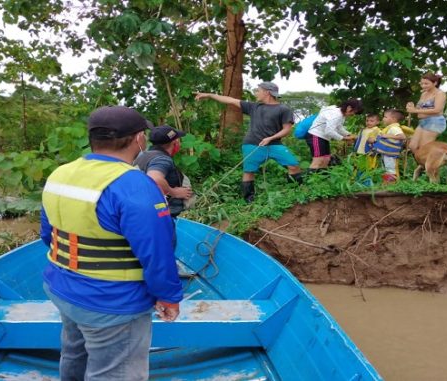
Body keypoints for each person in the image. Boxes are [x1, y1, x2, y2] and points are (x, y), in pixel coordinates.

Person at [40, 106, 183, 380]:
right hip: (112, 302)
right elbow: (157, 252)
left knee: (73, 354)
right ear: (139, 139)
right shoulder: (133, 184)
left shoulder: (61, 173)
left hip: (62, 287)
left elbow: (49, 235)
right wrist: (168, 296)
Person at [195, 82, 302, 203]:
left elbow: (287, 129)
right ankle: (249, 200)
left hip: (274, 144)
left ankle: (296, 193)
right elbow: (230, 100)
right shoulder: (253, 107)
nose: (256, 93)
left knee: (293, 165)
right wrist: (209, 95)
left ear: (267, 92)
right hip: (252, 144)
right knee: (249, 171)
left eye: (258, 90)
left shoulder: (283, 109)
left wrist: (270, 138)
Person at [134, 125, 193, 218]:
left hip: (148, 212)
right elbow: (155, 178)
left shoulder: (143, 157)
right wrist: (174, 192)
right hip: (166, 215)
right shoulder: (162, 159)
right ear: (175, 142)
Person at [306, 99, 363, 172]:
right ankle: (310, 181)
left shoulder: (341, 114)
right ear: (349, 108)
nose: (353, 115)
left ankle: (322, 180)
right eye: (354, 112)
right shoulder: (336, 114)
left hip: (324, 138)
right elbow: (329, 131)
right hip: (316, 135)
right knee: (318, 160)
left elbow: (339, 127)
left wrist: (349, 134)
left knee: (326, 159)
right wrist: (344, 138)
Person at [406, 72, 447, 152]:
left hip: (434, 122)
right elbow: (418, 107)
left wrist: (415, 110)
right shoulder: (424, 94)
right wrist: (411, 106)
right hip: (422, 122)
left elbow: (437, 110)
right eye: (422, 84)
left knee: (423, 148)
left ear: (435, 83)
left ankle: (428, 163)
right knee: (412, 146)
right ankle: (422, 163)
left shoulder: (440, 94)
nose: (423, 86)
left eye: (426, 84)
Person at [372, 109, 407, 184]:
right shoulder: (390, 128)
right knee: (386, 168)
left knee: (391, 169)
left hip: (391, 154)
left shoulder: (394, 128)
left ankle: (392, 184)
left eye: (385, 117)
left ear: (393, 119)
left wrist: (386, 135)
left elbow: (402, 137)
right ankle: (386, 184)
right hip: (387, 153)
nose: (383, 119)